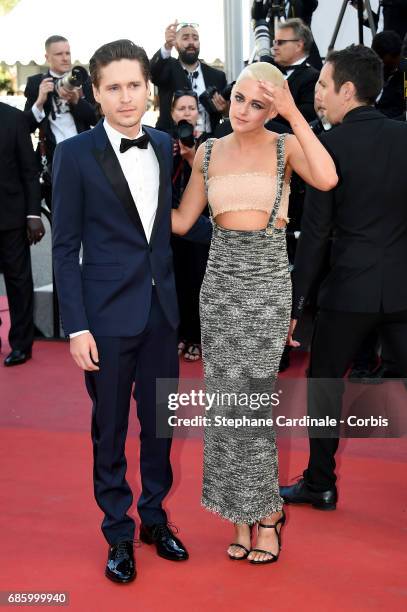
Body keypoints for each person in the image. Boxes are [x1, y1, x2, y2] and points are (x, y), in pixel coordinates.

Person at [51, 39, 212, 583]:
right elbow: (64, 245)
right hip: (105, 317)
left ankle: (154, 517)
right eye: (113, 87)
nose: (126, 97)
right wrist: (76, 325)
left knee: (161, 426)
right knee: (111, 428)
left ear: (150, 89)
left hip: (161, 312)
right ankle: (117, 529)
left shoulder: (166, 144)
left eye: (134, 85)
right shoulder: (73, 155)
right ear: (96, 94)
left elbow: (159, 231)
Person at [172, 62, 337, 564]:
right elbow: (181, 222)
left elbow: (328, 178)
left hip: (266, 286)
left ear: (273, 108)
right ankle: (239, 514)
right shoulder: (207, 152)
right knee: (226, 407)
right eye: (240, 98)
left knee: (254, 405)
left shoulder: (285, 147)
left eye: (258, 104)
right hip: (219, 288)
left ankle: (267, 514)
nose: (244, 110)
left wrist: (293, 112)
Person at [281, 45, 407, 510]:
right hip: (402, 290)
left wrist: (296, 305)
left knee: (326, 384)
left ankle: (320, 483)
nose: (318, 94)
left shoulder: (327, 148)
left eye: (322, 85)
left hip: (347, 292)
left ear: (347, 91)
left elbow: (314, 237)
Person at [24, 35, 97, 207]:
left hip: (83, 154)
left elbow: (96, 118)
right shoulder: (36, 84)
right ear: (47, 57)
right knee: (60, 213)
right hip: (53, 157)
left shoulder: (83, 80)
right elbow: (26, 126)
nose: (65, 57)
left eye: (68, 53)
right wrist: (40, 101)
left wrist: (77, 102)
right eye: (58, 54)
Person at [0, 102, 44, 366]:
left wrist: (33, 214)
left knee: (18, 283)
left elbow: (30, 170)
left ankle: (21, 344)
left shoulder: (14, 118)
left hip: (10, 217)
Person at [170, 89, 209, 362]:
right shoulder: (163, 143)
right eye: (181, 108)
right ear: (172, 113)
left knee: (198, 281)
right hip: (171, 223)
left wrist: (190, 156)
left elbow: (212, 184)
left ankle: (196, 336)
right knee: (175, 280)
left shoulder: (210, 142)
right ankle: (179, 334)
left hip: (200, 224)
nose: (186, 113)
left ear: (198, 113)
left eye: (191, 108)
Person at [150, 22, 228, 135]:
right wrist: (167, 46)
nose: (191, 42)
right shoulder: (166, 69)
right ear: (176, 44)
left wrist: (224, 109)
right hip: (172, 144)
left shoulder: (218, 76)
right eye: (185, 38)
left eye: (195, 38)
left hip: (210, 143)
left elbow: (227, 112)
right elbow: (153, 71)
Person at [272, 18, 320, 124]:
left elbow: (304, 116)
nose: (274, 47)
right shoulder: (268, 68)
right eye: (274, 42)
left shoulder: (313, 78)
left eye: (280, 42)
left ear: (299, 45)